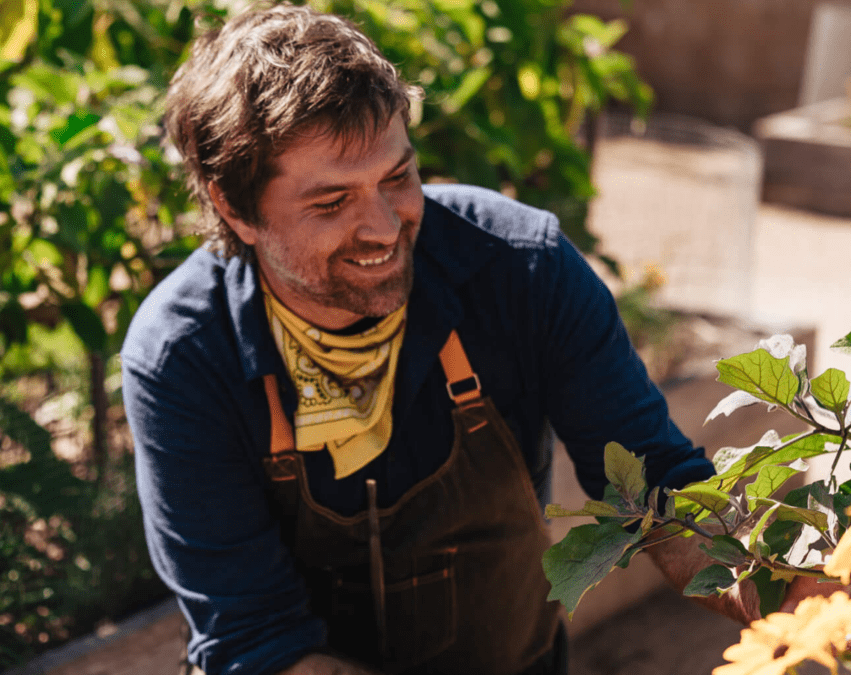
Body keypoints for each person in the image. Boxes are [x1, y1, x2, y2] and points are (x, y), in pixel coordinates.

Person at [121, 4, 756, 675]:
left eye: (397, 178)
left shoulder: (519, 268)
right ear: (234, 206)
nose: (384, 227)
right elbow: (257, 639)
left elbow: (656, 491)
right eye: (331, 202)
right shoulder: (184, 356)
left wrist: (801, 594)